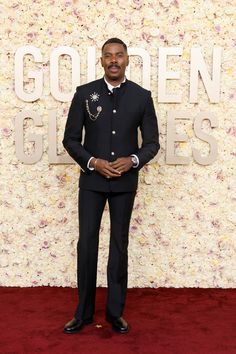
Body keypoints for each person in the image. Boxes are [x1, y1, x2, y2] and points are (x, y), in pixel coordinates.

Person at [62, 38, 160, 334]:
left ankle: (115, 312)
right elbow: (70, 139)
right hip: (91, 182)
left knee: (119, 245)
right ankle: (83, 313)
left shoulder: (142, 97)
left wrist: (133, 159)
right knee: (87, 245)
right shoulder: (84, 94)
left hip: (125, 184)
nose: (114, 60)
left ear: (127, 60)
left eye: (119, 55)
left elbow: (153, 143)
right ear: (101, 60)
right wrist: (92, 161)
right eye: (108, 56)